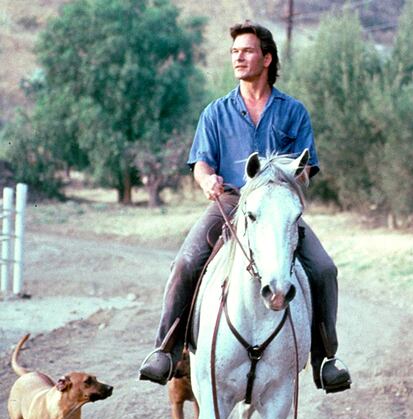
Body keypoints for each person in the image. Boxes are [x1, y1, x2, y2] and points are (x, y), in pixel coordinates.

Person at [139, 20, 351, 394]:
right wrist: (206, 180)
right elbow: (202, 162)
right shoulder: (215, 112)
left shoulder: (294, 112)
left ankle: (325, 359)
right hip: (229, 203)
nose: (239, 57)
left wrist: (286, 184)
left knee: (324, 269)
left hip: (275, 207)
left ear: (267, 58)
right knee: (186, 263)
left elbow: (307, 169)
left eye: (247, 50)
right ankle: (167, 350)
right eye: (235, 51)